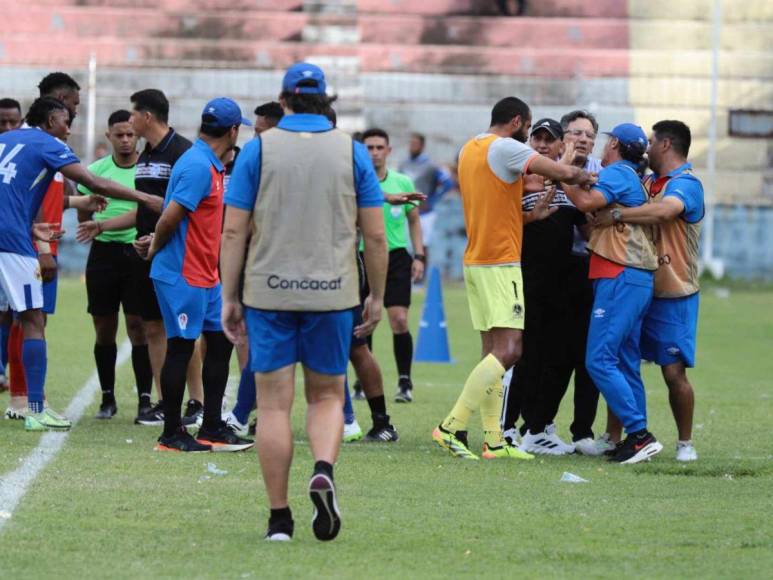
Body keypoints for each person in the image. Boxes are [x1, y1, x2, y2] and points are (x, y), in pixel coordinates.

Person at [220, 62, 388, 541]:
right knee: (328, 395)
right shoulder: (352, 153)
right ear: (326, 101)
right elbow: (374, 236)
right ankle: (322, 468)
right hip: (332, 294)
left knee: (273, 408)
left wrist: (229, 296)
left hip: (267, 291)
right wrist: (374, 294)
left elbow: (234, 229)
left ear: (284, 98)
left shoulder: (258, 149)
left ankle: (279, 519)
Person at [432, 96, 595, 460]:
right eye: (529, 127)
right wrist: (583, 174)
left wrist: (528, 219)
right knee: (511, 350)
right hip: (500, 264)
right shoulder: (505, 147)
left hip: (477, 259)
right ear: (518, 121)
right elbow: (560, 172)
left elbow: (492, 208)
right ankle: (450, 425)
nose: (529, 136)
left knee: (493, 353)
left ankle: (493, 440)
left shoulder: (470, 149)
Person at [0, 97, 157, 430]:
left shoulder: (6, 139)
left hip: (12, 235)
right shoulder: (48, 143)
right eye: (65, 120)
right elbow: (96, 182)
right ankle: (36, 408)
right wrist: (146, 198)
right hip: (11, 243)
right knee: (32, 320)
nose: (69, 127)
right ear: (50, 119)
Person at [134, 97, 254, 452]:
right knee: (181, 348)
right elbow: (170, 215)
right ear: (233, 131)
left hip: (206, 274)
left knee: (220, 343)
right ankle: (171, 433)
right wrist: (155, 247)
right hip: (183, 273)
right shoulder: (199, 165)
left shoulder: (210, 164)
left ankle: (213, 427)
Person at [593, 120, 704, 462]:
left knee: (673, 372)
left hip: (674, 290)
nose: (646, 148)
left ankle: (685, 443)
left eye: (652, 141)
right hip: (639, 283)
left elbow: (664, 212)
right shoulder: (644, 181)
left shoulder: (686, 184)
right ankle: (617, 437)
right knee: (621, 360)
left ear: (667, 145)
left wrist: (618, 214)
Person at [562, 123, 663, 464]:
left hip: (620, 275)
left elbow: (586, 201)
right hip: (633, 278)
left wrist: (562, 173)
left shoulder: (618, 172)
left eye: (605, 142)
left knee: (599, 359)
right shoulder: (628, 174)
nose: (601, 149)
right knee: (624, 361)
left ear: (616, 144)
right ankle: (638, 439)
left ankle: (639, 433)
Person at [501, 118, 581, 455]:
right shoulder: (517, 181)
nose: (543, 145)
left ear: (561, 145)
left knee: (559, 358)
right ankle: (504, 428)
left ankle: (536, 429)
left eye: (551, 140)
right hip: (525, 284)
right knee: (521, 356)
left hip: (561, 287)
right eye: (538, 139)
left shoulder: (570, 190)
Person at [75, 109, 152, 420]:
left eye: (130, 134)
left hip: (137, 253)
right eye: (118, 134)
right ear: (108, 136)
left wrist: (102, 225)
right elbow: (83, 205)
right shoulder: (96, 170)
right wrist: (92, 226)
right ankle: (107, 398)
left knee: (138, 326)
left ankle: (145, 400)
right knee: (104, 328)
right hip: (103, 256)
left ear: (138, 136)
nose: (124, 140)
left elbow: (143, 212)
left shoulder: (146, 171)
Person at [129, 89, 196, 426]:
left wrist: (158, 237)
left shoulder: (182, 152)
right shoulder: (146, 153)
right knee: (153, 325)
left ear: (147, 117)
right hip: (147, 251)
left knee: (184, 328)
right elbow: (147, 204)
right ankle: (164, 400)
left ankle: (196, 401)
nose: (129, 121)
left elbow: (180, 207)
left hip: (175, 251)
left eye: (133, 115)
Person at [360, 127, 424, 403]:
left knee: (398, 319)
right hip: (363, 256)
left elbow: (413, 220)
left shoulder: (402, 182)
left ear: (388, 150)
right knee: (364, 321)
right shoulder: (358, 182)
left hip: (397, 256)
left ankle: (404, 380)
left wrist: (419, 255)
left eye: (379, 147)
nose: (374, 152)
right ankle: (363, 381)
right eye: (369, 147)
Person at [398, 132, 452, 259]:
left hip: (425, 213)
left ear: (422, 146)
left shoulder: (431, 166)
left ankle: (421, 276)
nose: (412, 146)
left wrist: (432, 200)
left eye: (415, 144)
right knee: (406, 245)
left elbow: (448, 183)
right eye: (410, 143)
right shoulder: (403, 165)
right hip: (406, 211)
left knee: (423, 246)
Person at [0, 97, 22, 393]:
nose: (7, 128)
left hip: (14, 247)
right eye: (1, 123)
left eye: (12, 122)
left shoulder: (25, 156)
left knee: (16, 313)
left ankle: (16, 385)